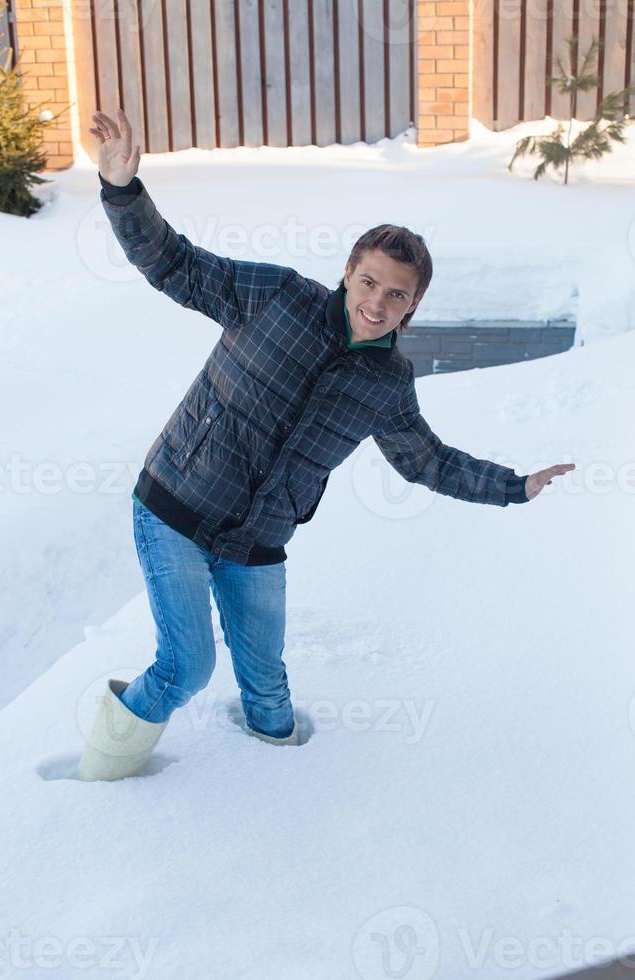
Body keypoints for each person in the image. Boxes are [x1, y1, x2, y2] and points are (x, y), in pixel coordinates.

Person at [77, 109, 575, 781]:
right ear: (348, 272)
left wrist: (514, 486)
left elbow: (426, 460)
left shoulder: (388, 382)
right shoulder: (276, 295)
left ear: (412, 307)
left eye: (397, 294)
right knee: (186, 666)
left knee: (271, 695)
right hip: (174, 507)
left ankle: (284, 796)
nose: (377, 301)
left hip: (255, 543)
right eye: (369, 281)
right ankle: (100, 778)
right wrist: (122, 192)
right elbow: (174, 265)